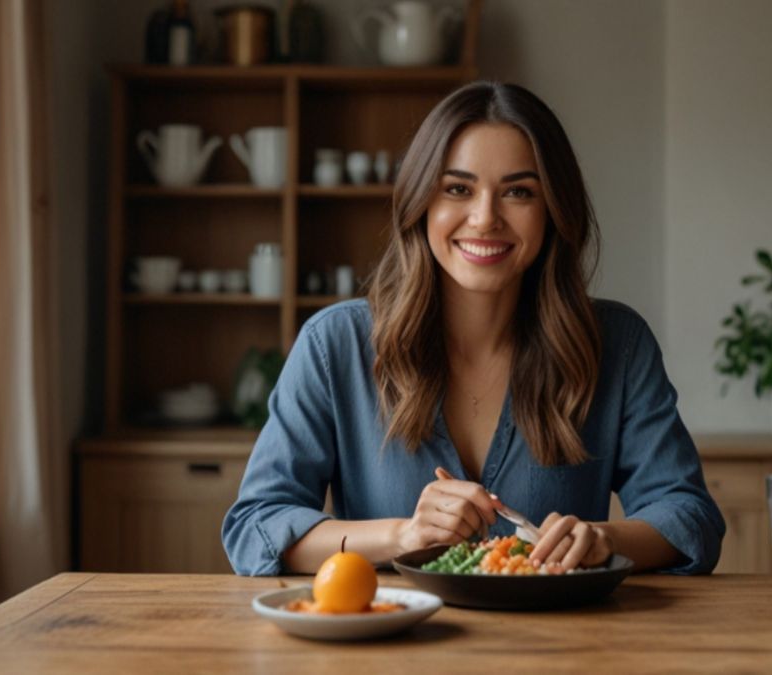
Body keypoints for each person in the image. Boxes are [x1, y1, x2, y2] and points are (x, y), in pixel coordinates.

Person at [222, 81, 724, 576]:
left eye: (519, 192)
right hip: (391, 651)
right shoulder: (333, 346)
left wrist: (603, 539)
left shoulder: (619, 344)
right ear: (422, 202)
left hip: (560, 652)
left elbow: (690, 516)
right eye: (457, 189)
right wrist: (402, 536)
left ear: (553, 210)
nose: (485, 218)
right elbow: (257, 526)